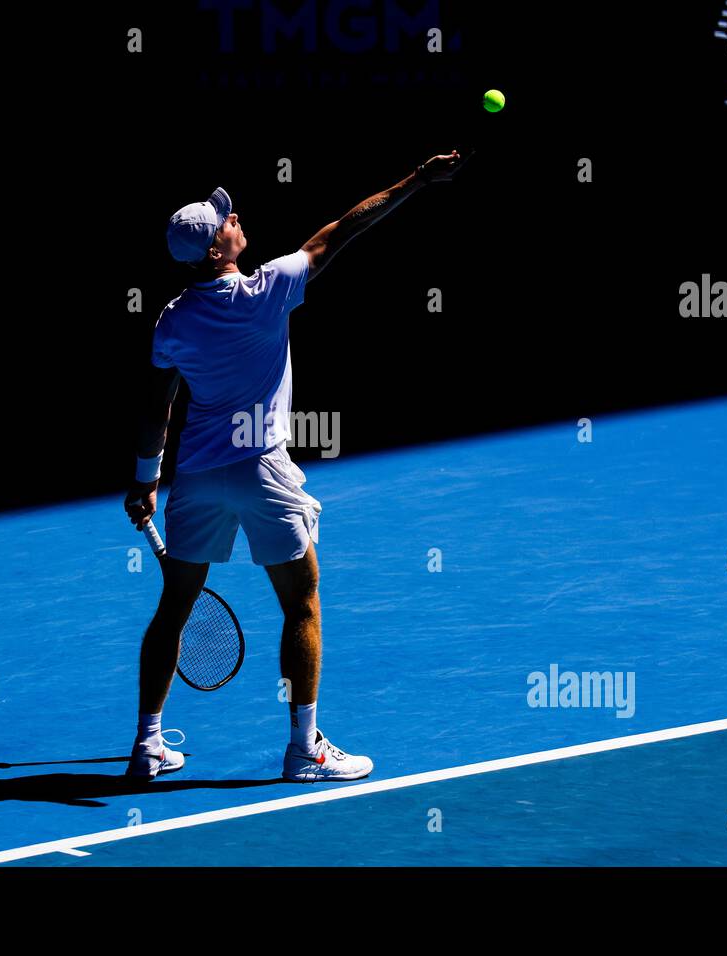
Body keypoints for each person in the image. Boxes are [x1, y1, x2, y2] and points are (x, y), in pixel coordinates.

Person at [124, 150, 471, 782]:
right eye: (225, 223)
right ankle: (303, 748)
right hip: (263, 474)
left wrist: (145, 480)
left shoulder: (170, 322)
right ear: (215, 251)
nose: (236, 220)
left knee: (174, 605)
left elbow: (157, 410)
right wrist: (418, 179)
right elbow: (346, 227)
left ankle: (146, 745)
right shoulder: (271, 287)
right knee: (302, 603)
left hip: (197, 480)